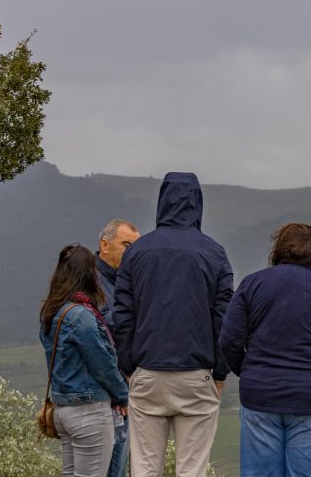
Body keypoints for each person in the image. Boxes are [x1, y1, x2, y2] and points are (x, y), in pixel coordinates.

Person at [112, 172, 233, 477]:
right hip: (196, 374)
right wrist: (220, 371)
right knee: (191, 470)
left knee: (144, 468)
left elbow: (123, 315)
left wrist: (128, 365)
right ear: (198, 203)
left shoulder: (136, 253)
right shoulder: (215, 254)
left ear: (162, 202)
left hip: (147, 372)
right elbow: (224, 318)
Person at [220, 223, 311, 477]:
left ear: (278, 250)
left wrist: (250, 371)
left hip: (260, 396)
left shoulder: (251, 285)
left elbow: (228, 340)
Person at [39, 244, 129, 477]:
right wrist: (122, 395)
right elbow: (103, 363)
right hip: (89, 412)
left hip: (63, 410)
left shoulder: (52, 312)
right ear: (89, 273)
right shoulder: (82, 316)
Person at [95, 219, 140, 477]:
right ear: (105, 244)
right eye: (126, 244)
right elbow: (101, 330)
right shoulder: (92, 280)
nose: (131, 252)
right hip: (109, 394)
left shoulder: (124, 280)